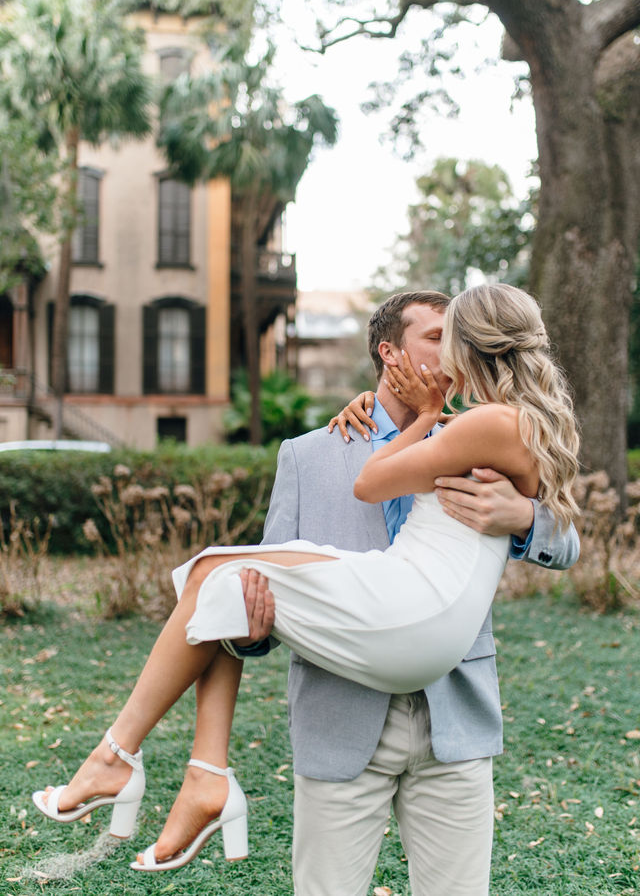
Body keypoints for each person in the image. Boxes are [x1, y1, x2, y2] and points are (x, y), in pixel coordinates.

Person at [32, 284, 580, 884]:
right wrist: (252, 635)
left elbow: (567, 537)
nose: (445, 352)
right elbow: (257, 604)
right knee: (220, 581)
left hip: (453, 718)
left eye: (454, 338)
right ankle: (194, 776)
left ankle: (154, 766)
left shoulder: (475, 429)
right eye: (432, 337)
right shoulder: (308, 455)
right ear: (388, 352)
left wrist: (524, 519)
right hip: (340, 721)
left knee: (211, 571)